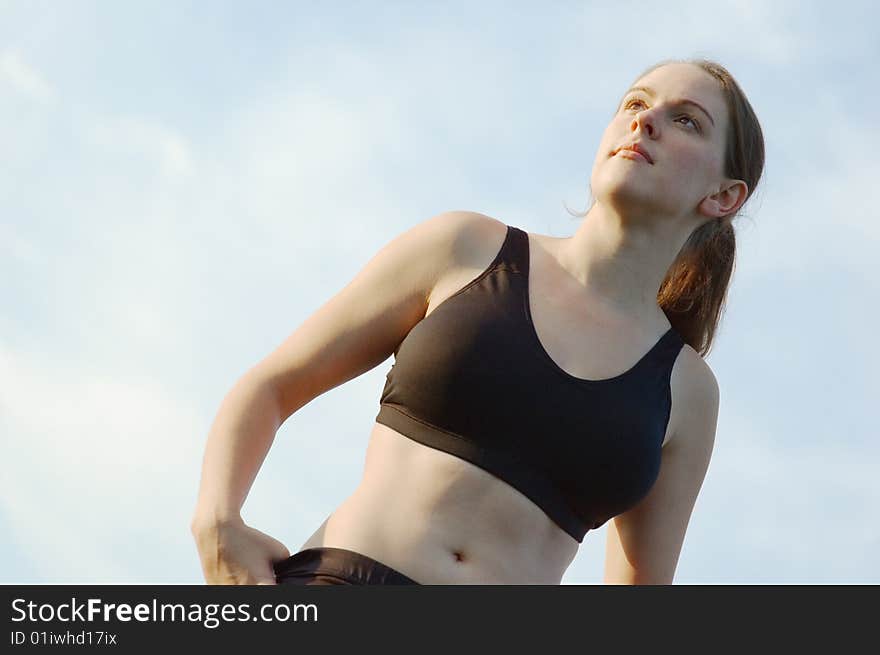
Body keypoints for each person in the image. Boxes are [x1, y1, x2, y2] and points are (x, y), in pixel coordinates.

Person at [190, 58, 764, 585]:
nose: (646, 122)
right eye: (636, 104)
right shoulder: (464, 249)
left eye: (687, 120)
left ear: (724, 196)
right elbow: (269, 388)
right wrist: (217, 523)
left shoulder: (686, 390)